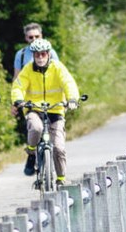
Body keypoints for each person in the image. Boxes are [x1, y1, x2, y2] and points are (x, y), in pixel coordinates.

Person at [11, 38, 80, 184]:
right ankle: (31, 152)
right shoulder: (28, 69)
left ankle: (61, 179)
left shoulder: (57, 67)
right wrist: (18, 100)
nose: (40, 57)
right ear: (33, 55)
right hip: (34, 109)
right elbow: (18, 86)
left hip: (55, 110)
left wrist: (72, 99)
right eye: (37, 55)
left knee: (59, 148)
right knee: (36, 128)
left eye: (43, 54)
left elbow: (68, 83)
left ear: (48, 54)